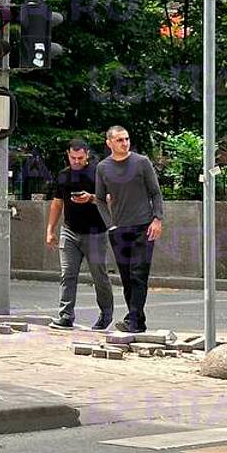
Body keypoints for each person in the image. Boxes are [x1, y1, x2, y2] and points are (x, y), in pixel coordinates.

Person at [95, 125, 164, 333]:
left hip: (144, 226)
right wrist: (110, 225)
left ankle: (132, 320)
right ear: (109, 143)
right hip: (119, 229)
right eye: (119, 140)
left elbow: (156, 193)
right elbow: (99, 199)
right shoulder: (103, 167)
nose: (125, 143)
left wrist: (157, 219)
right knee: (126, 277)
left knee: (138, 274)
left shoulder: (141, 162)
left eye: (126, 139)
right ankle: (137, 321)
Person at [46, 139, 113, 330]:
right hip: (69, 231)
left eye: (80, 158)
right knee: (67, 274)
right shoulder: (63, 176)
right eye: (73, 157)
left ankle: (106, 314)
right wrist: (50, 230)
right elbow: (57, 202)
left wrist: (90, 198)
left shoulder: (97, 173)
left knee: (99, 276)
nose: (76, 161)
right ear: (68, 155)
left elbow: (110, 198)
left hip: (95, 232)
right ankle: (66, 315)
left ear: (87, 155)